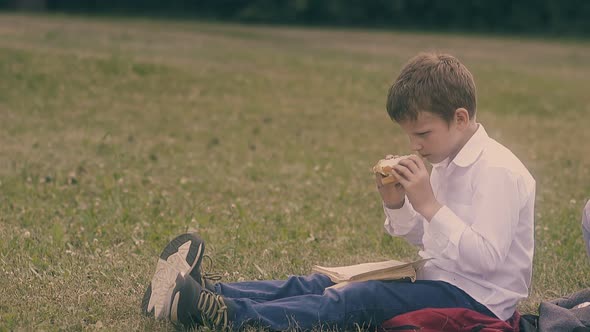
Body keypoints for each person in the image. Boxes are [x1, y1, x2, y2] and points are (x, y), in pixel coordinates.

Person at [140, 53, 536, 331]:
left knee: (357, 299)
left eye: (422, 133)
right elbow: (430, 240)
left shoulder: (498, 171)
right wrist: (398, 204)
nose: (414, 145)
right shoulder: (447, 158)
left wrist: (430, 205)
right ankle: (208, 291)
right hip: (437, 278)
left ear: (460, 118)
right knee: (323, 284)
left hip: (477, 302)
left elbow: (486, 260)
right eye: (408, 134)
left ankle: (226, 315)